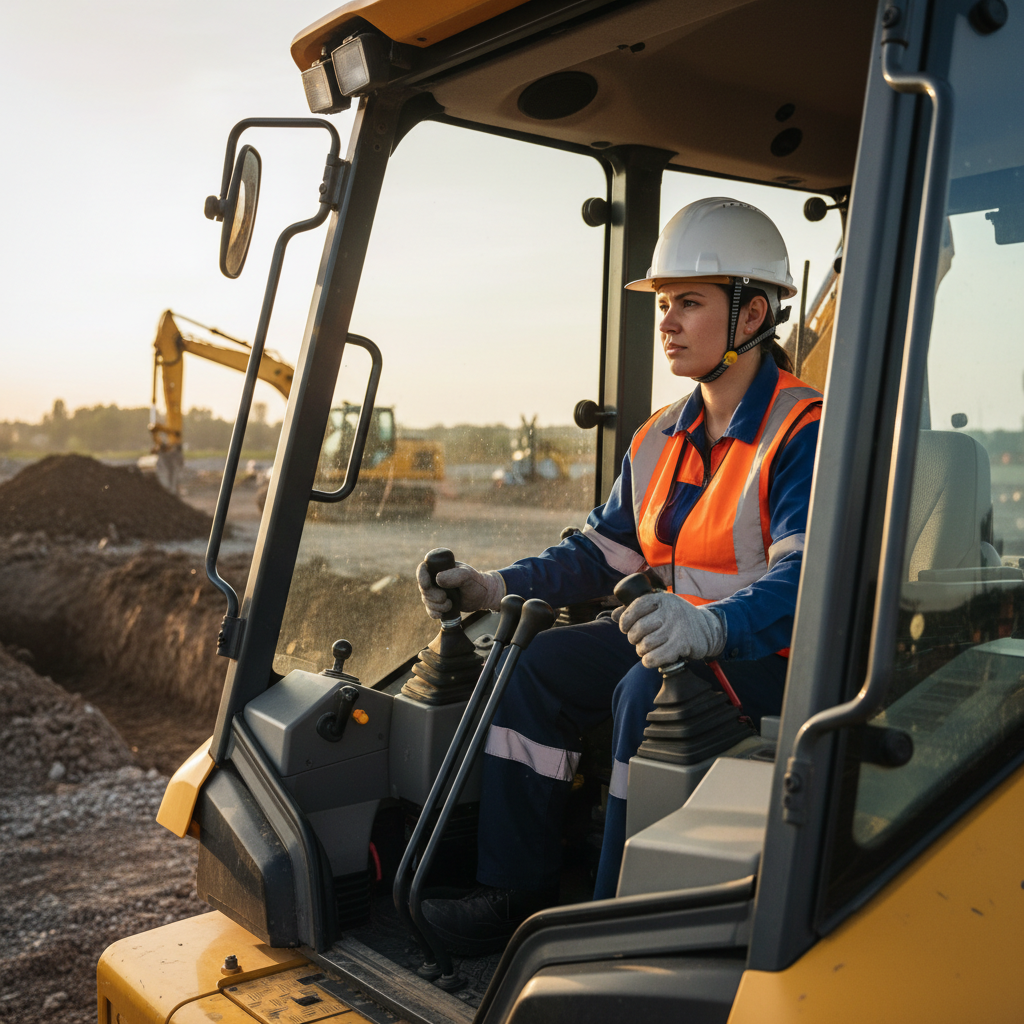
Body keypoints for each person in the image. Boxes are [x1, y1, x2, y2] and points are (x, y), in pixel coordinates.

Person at [415, 197, 822, 955]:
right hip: (675, 637)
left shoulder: (805, 429)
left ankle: (608, 923)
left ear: (751, 314)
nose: (665, 321)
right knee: (532, 664)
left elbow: (810, 579)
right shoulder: (657, 436)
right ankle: (516, 889)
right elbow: (602, 555)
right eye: (663, 303)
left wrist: (711, 625)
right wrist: (493, 587)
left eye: (688, 303)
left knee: (646, 690)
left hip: (774, 658)